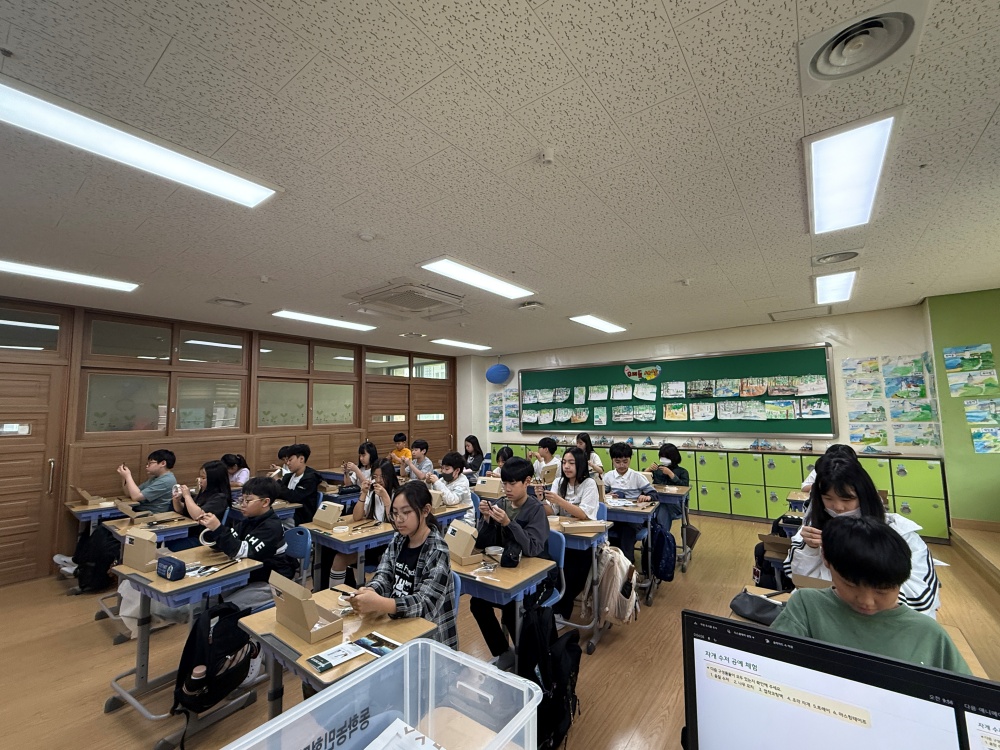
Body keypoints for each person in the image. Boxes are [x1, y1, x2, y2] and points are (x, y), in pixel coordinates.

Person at [772, 516, 969, 674]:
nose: (866, 601)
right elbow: (772, 664)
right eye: (850, 585)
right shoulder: (807, 605)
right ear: (827, 561)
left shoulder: (928, 634)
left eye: (882, 591)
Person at [783, 456, 940, 618]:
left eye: (847, 499)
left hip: (883, 621)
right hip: (826, 615)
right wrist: (810, 549)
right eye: (828, 499)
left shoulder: (899, 532)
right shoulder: (813, 529)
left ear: (865, 495)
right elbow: (798, 578)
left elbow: (921, 599)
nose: (838, 507)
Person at [199, 476, 299, 684]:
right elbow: (229, 540)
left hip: (272, 582)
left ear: (265, 502)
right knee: (212, 603)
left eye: (247, 500)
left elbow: (240, 550)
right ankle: (214, 656)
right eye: (241, 500)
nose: (242, 505)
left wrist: (219, 529)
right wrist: (214, 531)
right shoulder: (249, 521)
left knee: (227, 611)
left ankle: (252, 650)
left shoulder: (271, 526)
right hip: (250, 577)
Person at [350, 481, 458, 648]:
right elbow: (384, 575)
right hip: (397, 623)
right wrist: (371, 591)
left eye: (406, 512)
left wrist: (379, 603)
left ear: (425, 511)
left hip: (429, 640)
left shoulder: (437, 550)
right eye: (394, 513)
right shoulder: (399, 540)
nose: (398, 519)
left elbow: (425, 605)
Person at [471, 457, 548, 670]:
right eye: (504, 483)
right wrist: (486, 519)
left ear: (527, 482)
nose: (507, 488)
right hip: (507, 572)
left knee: (514, 607)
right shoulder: (501, 504)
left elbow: (532, 549)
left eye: (512, 483)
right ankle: (503, 651)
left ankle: (527, 661)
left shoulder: (535, 510)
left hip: (535, 578)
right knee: (477, 603)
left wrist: (508, 523)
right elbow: (483, 545)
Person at [541, 447, 600, 618]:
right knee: (550, 570)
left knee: (571, 575)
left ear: (580, 464)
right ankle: (550, 609)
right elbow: (551, 512)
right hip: (561, 537)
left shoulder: (589, 484)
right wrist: (541, 500)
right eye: (564, 462)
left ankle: (562, 612)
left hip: (582, 540)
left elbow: (584, 514)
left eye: (571, 463)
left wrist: (559, 500)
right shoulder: (559, 482)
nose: (566, 466)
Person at [326, 459, 401, 590]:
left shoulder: (397, 494)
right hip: (370, 541)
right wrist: (363, 494)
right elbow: (357, 517)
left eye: (382, 477)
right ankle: (333, 594)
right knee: (338, 558)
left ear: (390, 476)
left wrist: (386, 499)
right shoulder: (372, 493)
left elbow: (395, 523)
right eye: (375, 476)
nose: (378, 481)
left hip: (388, 544)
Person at [603, 442, 655, 566]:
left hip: (633, 519)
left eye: (625, 461)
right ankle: (609, 563)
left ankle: (627, 564)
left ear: (630, 460)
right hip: (615, 516)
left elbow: (654, 493)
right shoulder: (608, 476)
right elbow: (601, 494)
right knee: (605, 528)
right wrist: (607, 495)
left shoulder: (637, 477)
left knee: (626, 531)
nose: (621, 465)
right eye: (617, 462)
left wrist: (647, 496)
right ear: (612, 460)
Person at [116, 449, 177, 514]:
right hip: (140, 511)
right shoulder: (155, 478)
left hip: (152, 514)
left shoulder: (166, 481)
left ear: (163, 463)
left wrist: (128, 476)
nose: (147, 466)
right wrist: (124, 477)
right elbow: (129, 493)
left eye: (150, 463)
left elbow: (136, 497)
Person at [646, 443, 689, 528]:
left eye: (666, 457)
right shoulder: (658, 469)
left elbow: (685, 487)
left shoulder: (682, 471)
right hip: (658, 500)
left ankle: (661, 533)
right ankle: (658, 533)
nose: (663, 459)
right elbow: (642, 480)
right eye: (662, 457)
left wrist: (671, 474)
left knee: (662, 509)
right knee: (656, 508)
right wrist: (648, 469)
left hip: (675, 504)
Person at [279, 443, 322, 525]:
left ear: (301, 459)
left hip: (301, 517)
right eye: (286, 460)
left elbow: (294, 496)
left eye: (290, 460)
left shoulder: (311, 478)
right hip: (286, 514)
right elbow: (280, 493)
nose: (287, 463)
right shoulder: (288, 477)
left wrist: (278, 482)